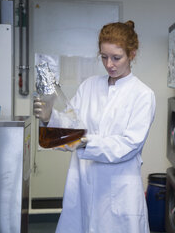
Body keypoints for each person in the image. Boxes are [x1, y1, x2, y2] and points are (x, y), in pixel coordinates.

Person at [33, 21, 156, 232]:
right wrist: (49, 118)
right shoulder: (90, 86)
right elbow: (71, 127)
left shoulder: (143, 95)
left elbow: (129, 144)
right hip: (82, 182)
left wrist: (85, 142)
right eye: (104, 57)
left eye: (117, 58)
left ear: (132, 54)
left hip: (119, 190)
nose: (110, 64)